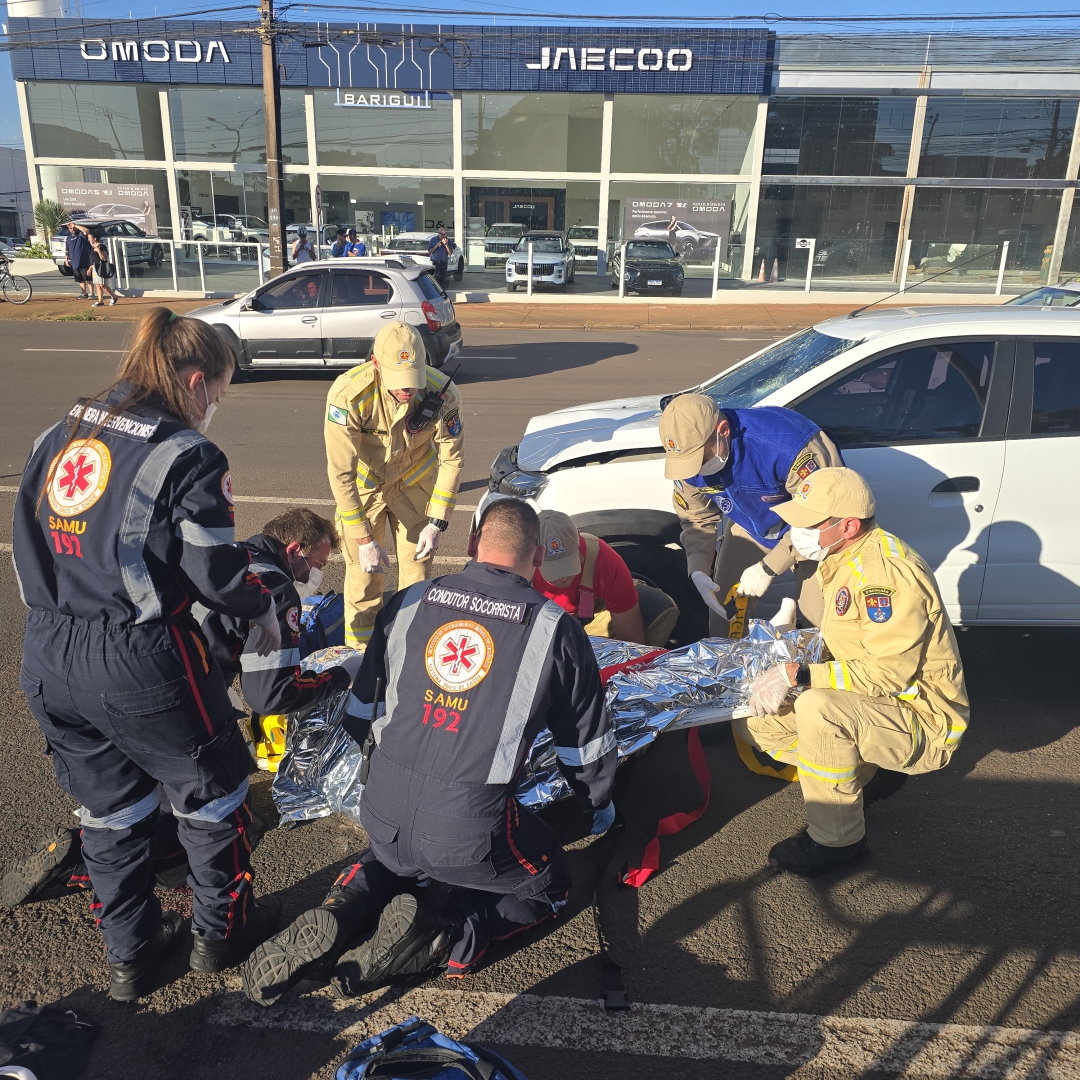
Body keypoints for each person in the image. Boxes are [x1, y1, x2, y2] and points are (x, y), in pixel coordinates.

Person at [241, 498, 617, 1006]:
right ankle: (449, 933)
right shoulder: (555, 629)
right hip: (469, 828)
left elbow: (359, 715)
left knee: (396, 856)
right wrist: (596, 804)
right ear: (535, 562)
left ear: (470, 544)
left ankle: (345, 907)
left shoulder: (410, 601)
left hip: (384, 808)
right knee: (546, 882)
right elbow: (585, 752)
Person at [12, 307, 282, 1001]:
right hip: (136, 654)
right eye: (217, 393)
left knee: (110, 811)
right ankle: (220, 936)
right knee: (213, 790)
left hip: (46, 647)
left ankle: (129, 960)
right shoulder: (187, 455)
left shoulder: (63, 429)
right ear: (195, 380)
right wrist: (264, 608)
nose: (214, 406)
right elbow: (217, 572)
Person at [3, 506, 358, 912]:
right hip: (176, 692)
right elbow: (270, 695)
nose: (315, 574)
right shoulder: (274, 587)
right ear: (294, 549)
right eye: (315, 564)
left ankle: (94, 852)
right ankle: (96, 867)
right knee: (222, 811)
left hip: (101, 673)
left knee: (126, 799)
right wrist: (341, 675)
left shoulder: (228, 556)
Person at [734, 467, 969, 875]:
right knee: (755, 722)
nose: (797, 531)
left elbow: (888, 675)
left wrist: (799, 675)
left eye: (808, 523)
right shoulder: (842, 556)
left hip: (923, 718)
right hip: (876, 703)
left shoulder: (885, 577)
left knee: (818, 710)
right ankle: (857, 771)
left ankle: (838, 842)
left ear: (848, 525)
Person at [324, 320, 464, 649]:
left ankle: (406, 652)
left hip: (415, 492)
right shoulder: (348, 395)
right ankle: (359, 659)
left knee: (416, 579)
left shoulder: (443, 393)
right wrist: (362, 536)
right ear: (376, 363)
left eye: (412, 380)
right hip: (366, 492)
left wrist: (437, 522)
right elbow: (341, 471)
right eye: (399, 382)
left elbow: (452, 459)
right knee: (363, 580)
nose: (408, 390)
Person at [659, 393, 844, 636]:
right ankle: (730, 670)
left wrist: (768, 567)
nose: (695, 470)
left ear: (722, 430)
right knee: (723, 612)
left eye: (700, 458)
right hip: (751, 525)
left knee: (821, 624)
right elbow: (696, 518)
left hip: (813, 531)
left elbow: (822, 515)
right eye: (687, 462)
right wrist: (698, 570)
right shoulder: (688, 458)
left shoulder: (788, 444)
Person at [533, 509, 678, 647]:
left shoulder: (603, 559)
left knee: (658, 608)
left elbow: (632, 640)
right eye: (553, 567)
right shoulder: (519, 569)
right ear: (532, 552)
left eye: (568, 562)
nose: (563, 576)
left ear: (579, 537)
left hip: (589, 616)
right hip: (543, 627)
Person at [65, 222, 93, 300]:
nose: (72, 229)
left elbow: (86, 231)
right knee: (80, 279)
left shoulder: (81, 235)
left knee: (88, 278)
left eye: (73, 228)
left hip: (84, 260)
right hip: (74, 261)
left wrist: (75, 225)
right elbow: (67, 249)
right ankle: (84, 293)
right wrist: (66, 259)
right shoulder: (68, 238)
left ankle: (92, 294)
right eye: (70, 228)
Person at [89, 235, 119, 307]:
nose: (89, 239)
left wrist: (98, 251)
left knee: (103, 285)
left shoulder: (101, 246)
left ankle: (114, 297)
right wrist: (90, 268)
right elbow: (92, 259)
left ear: (95, 238)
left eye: (90, 238)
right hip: (94, 268)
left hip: (101, 268)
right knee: (97, 285)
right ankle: (100, 301)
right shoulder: (92, 247)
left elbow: (104, 258)